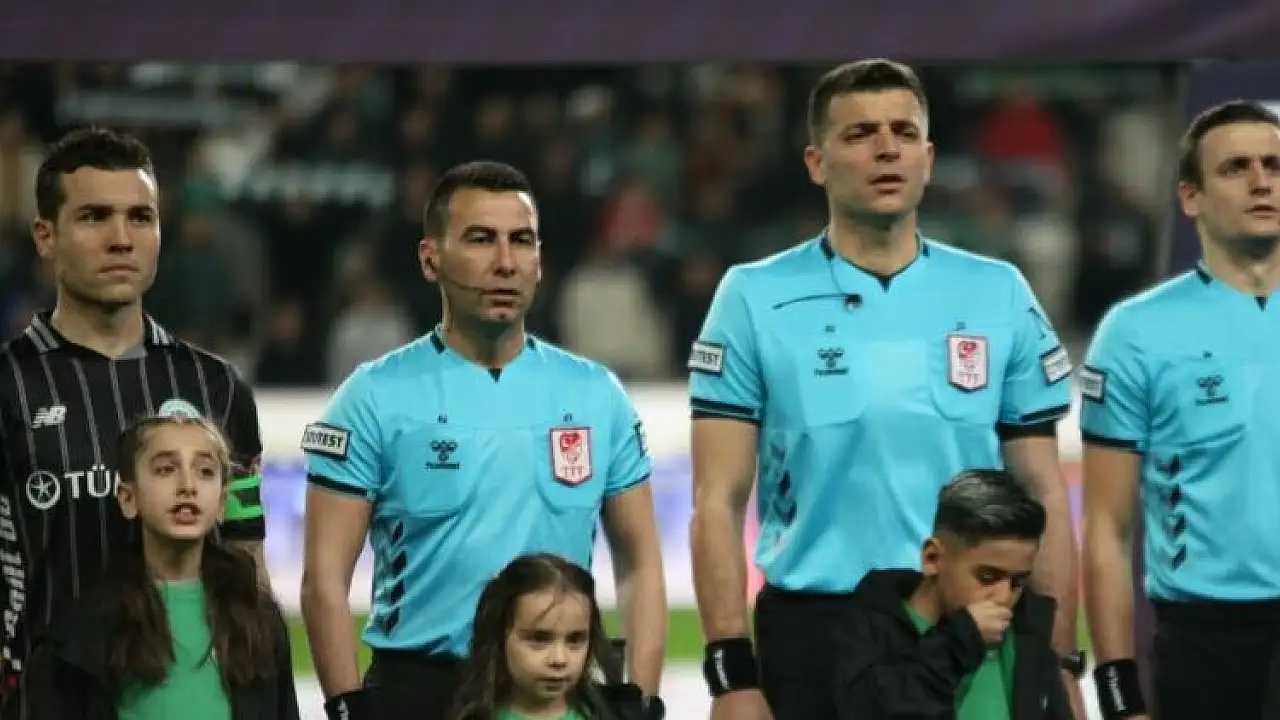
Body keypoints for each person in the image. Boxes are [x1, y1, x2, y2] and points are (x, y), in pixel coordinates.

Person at [687, 58, 1083, 720]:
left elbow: (1043, 491)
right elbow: (717, 501)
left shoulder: (998, 293)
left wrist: (1059, 662)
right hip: (815, 636)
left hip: (973, 628)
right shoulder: (752, 297)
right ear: (816, 162)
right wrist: (731, 677)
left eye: (904, 132)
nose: (886, 148)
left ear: (929, 158)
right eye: (859, 133)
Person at [300, 160, 667, 720]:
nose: (505, 262)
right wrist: (347, 707)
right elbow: (325, 578)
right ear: (431, 259)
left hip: (558, 697)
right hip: (422, 694)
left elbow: (640, 563)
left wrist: (641, 697)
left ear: (539, 259)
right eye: (480, 239)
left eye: (521, 240)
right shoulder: (372, 398)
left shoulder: (598, 397)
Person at [0, 127, 267, 719]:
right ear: (45, 236)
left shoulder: (218, 389)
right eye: (94, 217)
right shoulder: (8, 388)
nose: (121, 238)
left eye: (140, 217)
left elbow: (247, 562)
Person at [1080, 99, 1280, 720]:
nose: (1262, 181)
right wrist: (1118, 694)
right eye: (1236, 168)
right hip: (1206, 643)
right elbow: (1107, 529)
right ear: (1191, 198)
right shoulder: (1135, 333)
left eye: (1275, 165)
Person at [26, 412, 297, 720]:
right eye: (166, 469)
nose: (188, 486)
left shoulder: (259, 622)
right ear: (128, 498)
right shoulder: (81, 634)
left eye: (205, 471)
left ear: (222, 503)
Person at [833, 469, 1071, 720]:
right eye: (987, 576)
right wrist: (959, 641)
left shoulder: (1027, 634)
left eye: (1018, 582)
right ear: (932, 558)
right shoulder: (870, 631)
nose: (1004, 597)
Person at [451, 552, 655, 720]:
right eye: (539, 639)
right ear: (499, 638)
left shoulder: (615, 714)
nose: (559, 659)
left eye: (575, 640)